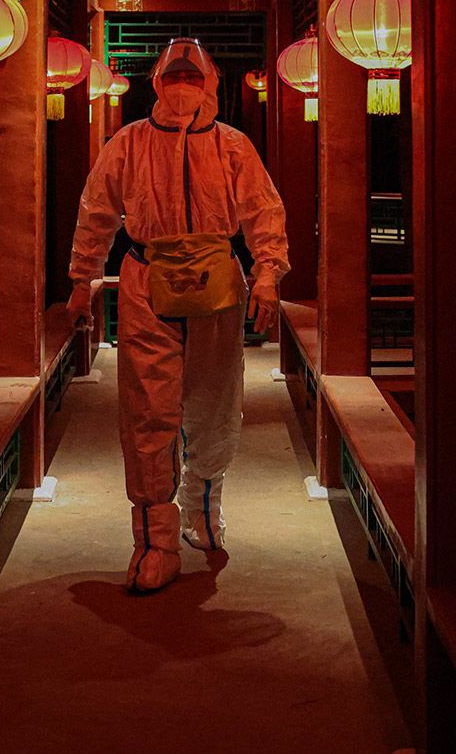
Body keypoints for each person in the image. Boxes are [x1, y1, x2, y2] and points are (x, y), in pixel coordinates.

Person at [67, 38, 289, 593]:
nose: (183, 84)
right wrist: (81, 277)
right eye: (174, 75)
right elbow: (96, 211)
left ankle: (204, 507)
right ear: (157, 83)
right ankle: (154, 542)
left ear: (209, 84)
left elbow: (264, 210)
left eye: (193, 76)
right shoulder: (129, 144)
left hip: (218, 282)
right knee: (148, 410)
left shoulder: (233, 146)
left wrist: (267, 272)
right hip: (147, 281)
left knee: (214, 401)